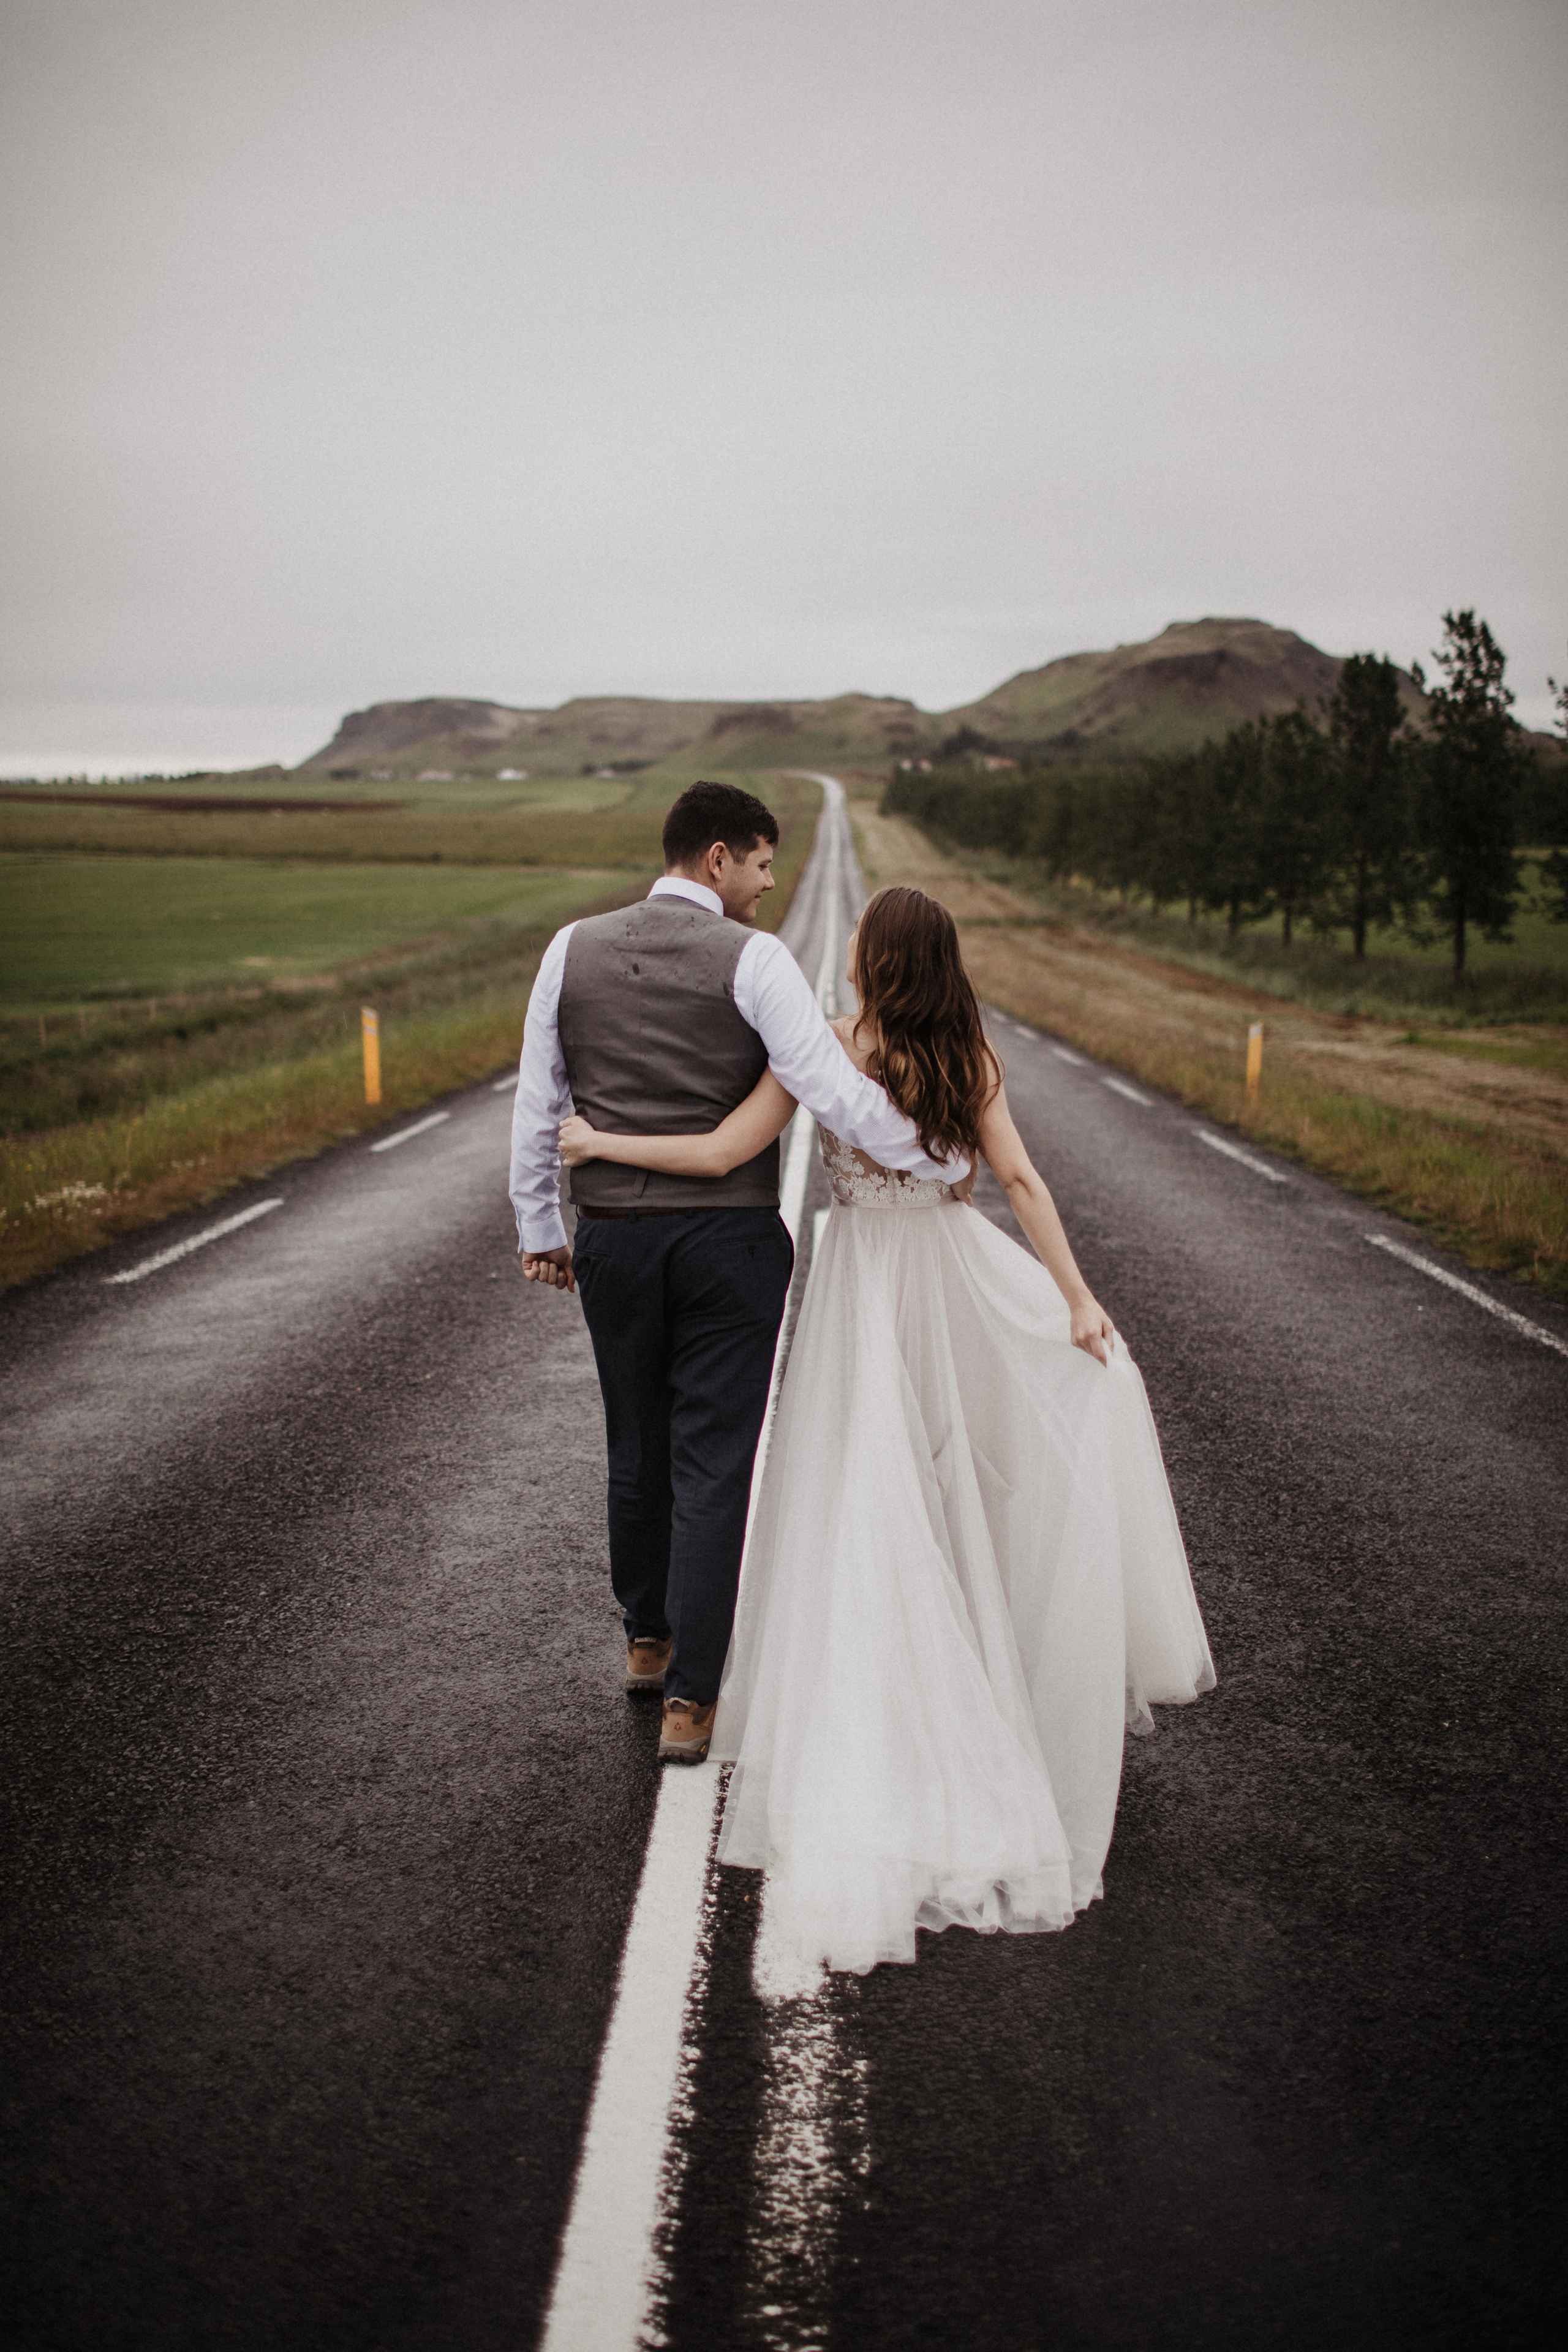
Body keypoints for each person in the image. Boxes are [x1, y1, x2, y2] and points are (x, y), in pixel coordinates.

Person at [557, 882, 1215, 1973]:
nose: (851, 950)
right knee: (964, 1478)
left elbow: (725, 1153)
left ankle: (897, 1701)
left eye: (861, 940)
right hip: (953, 1279)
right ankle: (972, 1666)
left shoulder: (830, 1048)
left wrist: (597, 1142)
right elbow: (1019, 1179)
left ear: (879, 959)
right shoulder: (968, 1054)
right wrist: (1077, 1299)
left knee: (867, 1488)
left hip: (866, 1291)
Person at [508, 785, 952, 1765]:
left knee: (636, 1442)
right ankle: (692, 1704)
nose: (766, 884)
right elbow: (831, 1089)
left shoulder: (568, 950)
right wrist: (935, 1156)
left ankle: (646, 1639)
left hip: (616, 1237)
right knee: (713, 1460)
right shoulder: (757, 961)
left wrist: (541, 1222)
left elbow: (542, 1098)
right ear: (716, 858)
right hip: (727, 1242)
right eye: (759, 864)